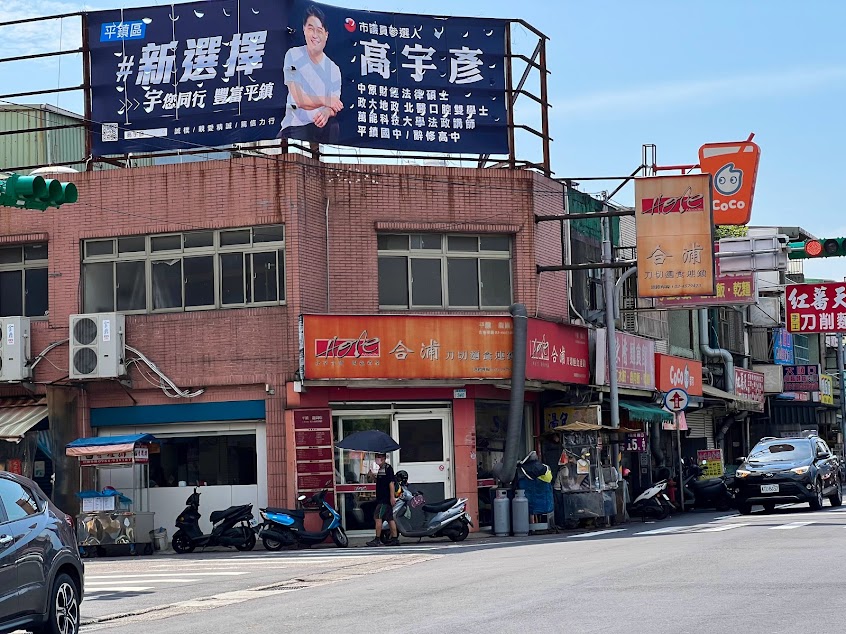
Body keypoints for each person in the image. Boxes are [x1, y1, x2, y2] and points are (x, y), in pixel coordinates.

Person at [277, 5, 343, 144]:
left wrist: (326, 112)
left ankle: (325, 164)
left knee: (333, 126)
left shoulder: (334, 69)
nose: (314, 35)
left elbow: (334, 107)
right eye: (310, 29)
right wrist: (326, 100)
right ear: (304, 29)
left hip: (318, 127)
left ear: (326, 34)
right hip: (294, 126)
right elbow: (299, 100)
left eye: (319, 30)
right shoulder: (293, 55)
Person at [367, 452, 399, 546]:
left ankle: (377, 539)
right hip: (383, 498)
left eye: (379, 457)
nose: (377, 458)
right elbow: (381, 482)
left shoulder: (388, 468)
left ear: (384, 458)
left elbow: (391, 483)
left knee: (378, 517)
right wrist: (373, 476)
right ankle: (394, 538)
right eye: (376, 457)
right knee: (390, 519)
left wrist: (392, 497)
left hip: (384, 499)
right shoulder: (381, 469)